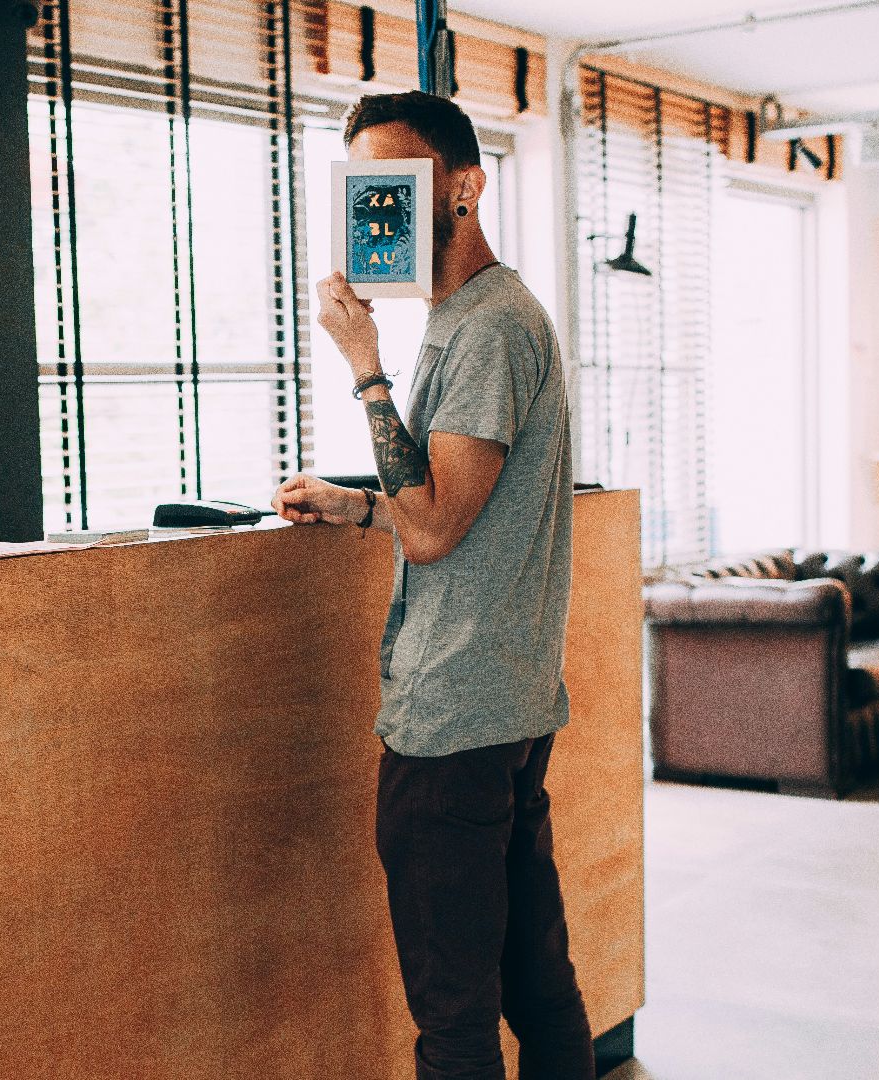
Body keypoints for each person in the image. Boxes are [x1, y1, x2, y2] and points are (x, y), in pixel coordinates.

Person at [270, 91, 592, 1080]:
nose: (383, 207)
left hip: (452, 721)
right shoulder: (474, 319)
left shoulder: (487, 327)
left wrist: (364, 366)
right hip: (502, 706)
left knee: (454, 1017)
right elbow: (441, 509)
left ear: (464, 188)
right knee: (537, 980)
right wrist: (355, 506)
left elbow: (438, 529)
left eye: (401, 182)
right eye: (368, 186)